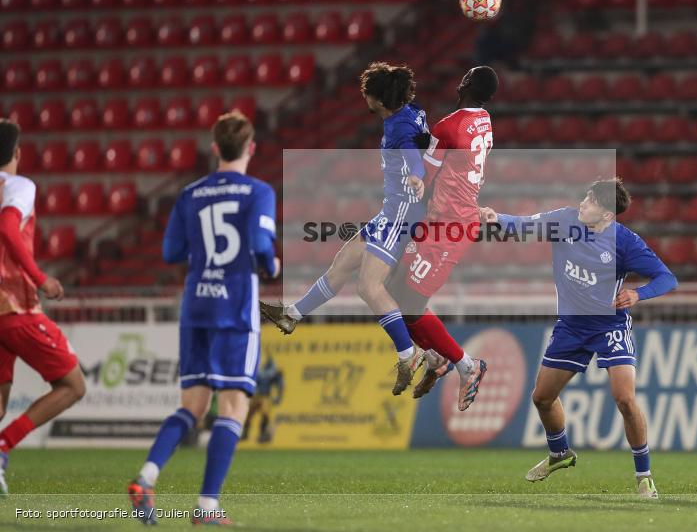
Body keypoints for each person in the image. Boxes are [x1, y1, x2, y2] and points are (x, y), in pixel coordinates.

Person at [480, 178, 677, 498]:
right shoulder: (565, 220)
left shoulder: (625, 242)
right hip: (571, 327)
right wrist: (497, 218)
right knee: (542, 397)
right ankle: (560, 453)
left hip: (609, 326)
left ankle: (644, 477)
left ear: (607, 215)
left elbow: (666, 278)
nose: (584, 203)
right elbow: (525, 225)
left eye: (592, 201)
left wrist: (638, 294)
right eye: (587, 196)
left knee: (624, 398)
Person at [128, 111, 280, 525]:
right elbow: (260, 244)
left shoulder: (190, 193)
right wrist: (271, 264)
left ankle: (146, 476)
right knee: (233, 406)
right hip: (235, 308)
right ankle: (207, 506)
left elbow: (170, 253)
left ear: (215, 148)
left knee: (192, 406)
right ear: (251, 148)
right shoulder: (259, 192)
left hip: (196, 305)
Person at [260, 63, 431, 395]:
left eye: (367, 93)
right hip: (392, 211)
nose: (363, 97)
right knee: (342, 262)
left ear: (379, 99)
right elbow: (420, 139)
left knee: (369, 287)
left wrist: (417, 175)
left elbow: (412, 153)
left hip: (402, 213)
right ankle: (292, 315)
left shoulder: (398, 126)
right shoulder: (413, 112)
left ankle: (408, 355)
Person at [386, 66, 499, 410]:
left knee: (411, 302)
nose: (459, 80)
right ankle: (437, 358)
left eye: (464, 76)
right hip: (440, 220)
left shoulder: (448, 126)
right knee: (392, 289)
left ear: (466, 84)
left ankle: (467, 365)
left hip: (451, 227)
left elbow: (425, 176)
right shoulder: (484, 120)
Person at [0, 119, 84, 497]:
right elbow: (8, 227)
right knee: (73, 385)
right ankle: (3, 446)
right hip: (15, 307)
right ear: (17, 153)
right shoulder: (19, 186)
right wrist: (39, 278)